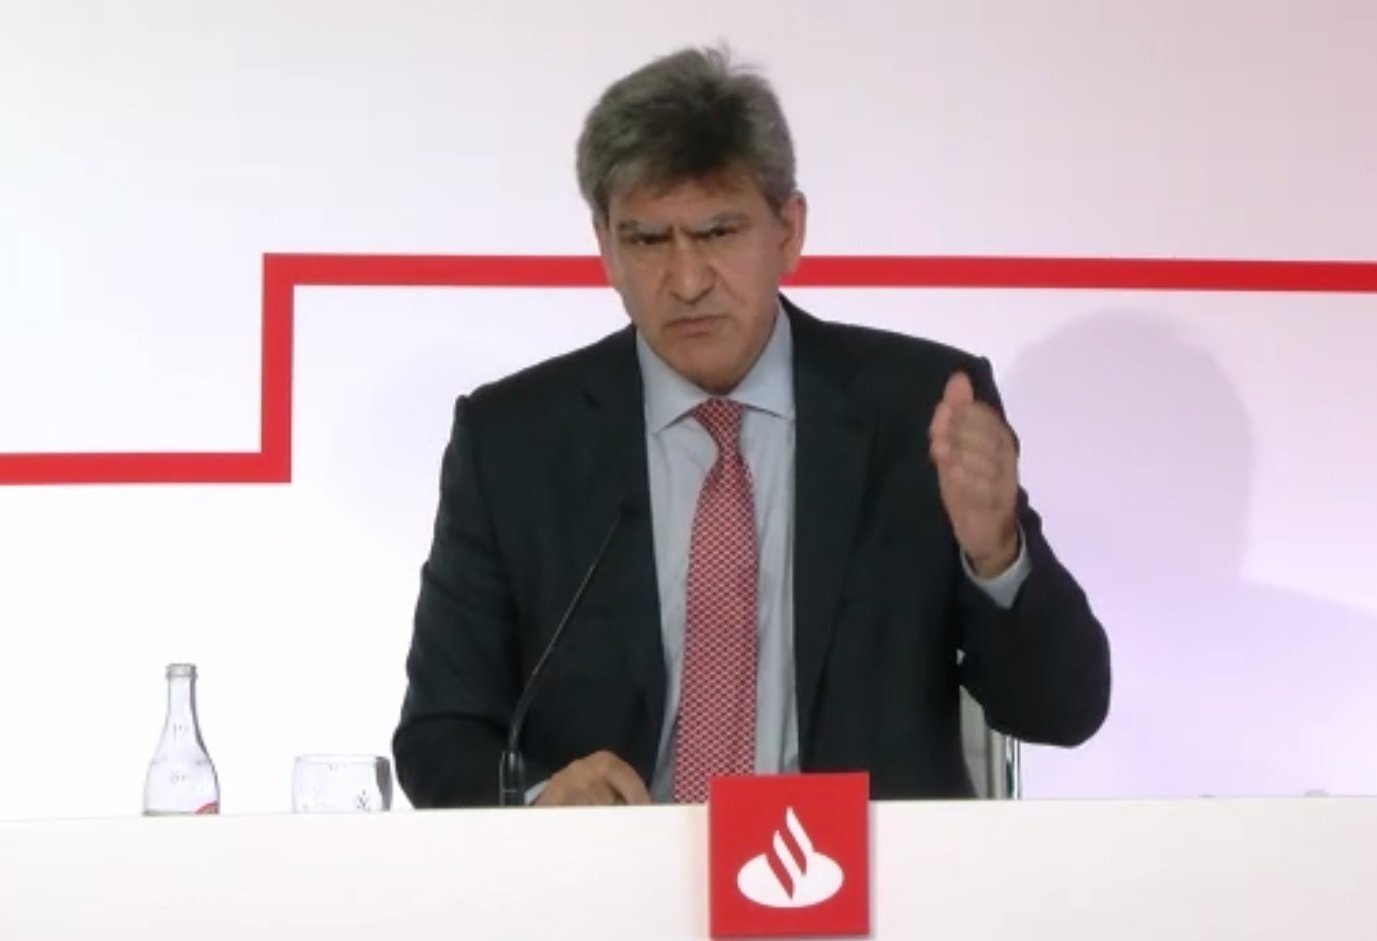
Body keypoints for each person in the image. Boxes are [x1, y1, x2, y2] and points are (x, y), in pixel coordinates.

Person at [393, 45, 1110, 808]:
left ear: (788, 230)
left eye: (718, 232)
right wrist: (542, 800)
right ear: (603, 246)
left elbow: (1060, 710)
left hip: (867, 877)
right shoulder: (514, 442)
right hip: (615, 877)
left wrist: (996, 551)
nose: (686, 281)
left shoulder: (915, 413)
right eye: (646, 240)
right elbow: (438, 737)